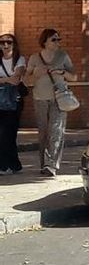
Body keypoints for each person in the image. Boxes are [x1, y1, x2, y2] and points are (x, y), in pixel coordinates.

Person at [25, 28, 76, 177]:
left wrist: (62, 72)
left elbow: (74, 77)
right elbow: (26, 80)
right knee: (43, 132)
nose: (57, 42)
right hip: (40, 98)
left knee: (56, 130)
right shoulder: (35, 58)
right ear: (45, 41)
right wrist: (36, 74)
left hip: (59, 98)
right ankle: (44, 164)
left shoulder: (63, 56)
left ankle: (51, 164)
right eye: (54, 39)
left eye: (59, 39)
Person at [0, 33, 26, 175]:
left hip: (13, 101)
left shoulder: (19, 59)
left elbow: (16, 79)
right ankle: (14, 165)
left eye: (9, 42)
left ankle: (5, 166)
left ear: (14, 44)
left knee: (9, 133)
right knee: (2, 134)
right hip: (0, 99)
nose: (5, 45)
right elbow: (12, 78)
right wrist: (7, 79)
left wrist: (2, 79)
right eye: (2, 42)